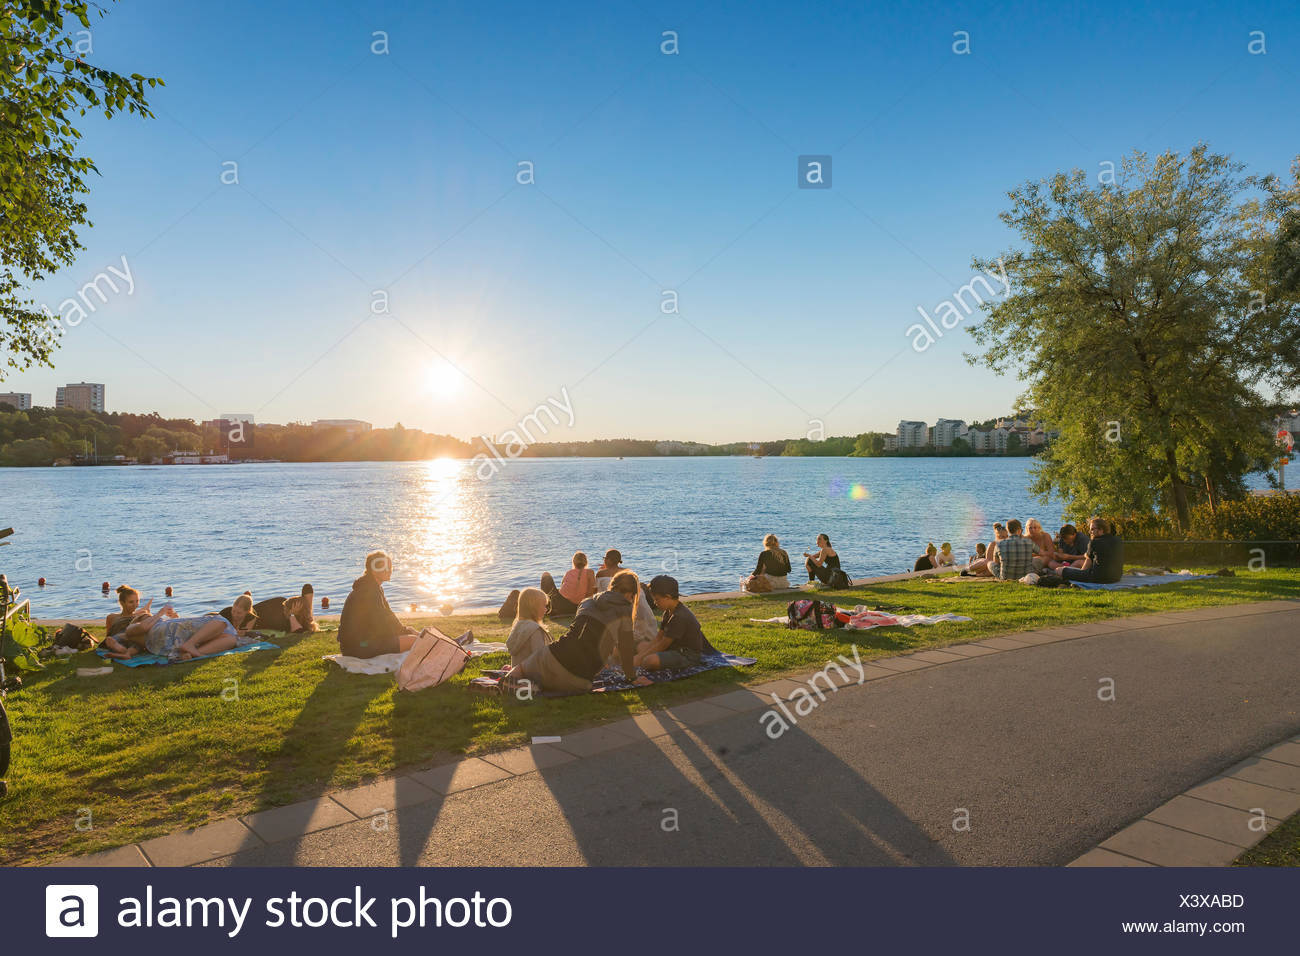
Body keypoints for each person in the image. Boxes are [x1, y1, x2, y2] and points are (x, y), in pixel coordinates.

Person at [506, 570, 652, 693]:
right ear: (631, 594)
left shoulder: (586, 602)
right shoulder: (625, 610)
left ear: (611, 586)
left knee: (520, 670)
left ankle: (510, 682)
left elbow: (578, 638)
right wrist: (632, 678)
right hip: (580, 682)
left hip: (553, 659)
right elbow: (625, 650)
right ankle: (535, 685)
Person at [106, 594, 257, 662]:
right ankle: (191, 646)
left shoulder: (144, 638)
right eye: (147, 616)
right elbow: (145, 626)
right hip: (168, 638)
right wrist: (159, 613)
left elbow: (134, 647)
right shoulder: (134, 627)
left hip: (170, 643)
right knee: (221, 621)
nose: (148, 616)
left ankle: (193, 653)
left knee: (230, 639)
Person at [337, 550, 418, 659]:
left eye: (390, 567)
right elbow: (381, 624)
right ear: (374, 570)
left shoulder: (374, 587)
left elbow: (388, 616)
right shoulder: (368, 591)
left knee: (412, 634)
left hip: (359, 644)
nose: (389, 571)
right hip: (357, 647)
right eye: (385, 568)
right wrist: (404, 634)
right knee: (413, 641)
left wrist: (406, 630)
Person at [636, 575, 705, 671]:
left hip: (687, 655)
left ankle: (644, 660)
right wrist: (640, 655)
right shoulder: (668, 612)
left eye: (657, 599)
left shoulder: (679, 617)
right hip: (674, 648)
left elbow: (663, 645)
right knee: (641, 646)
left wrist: (640, 658)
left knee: (649, 661)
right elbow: (658, 638)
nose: (655, 603)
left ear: (668, 597)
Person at [221, 584, 317, 633]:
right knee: (306, 618)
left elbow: (298, 632)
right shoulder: (281, 605)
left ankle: (307, 610)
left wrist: (292, 614)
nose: (235, 614)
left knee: (305, 619)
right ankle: (308, 610)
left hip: (241, 617)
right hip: (278, 607)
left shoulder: (287, 622)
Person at [1062, 517, 1125, 585]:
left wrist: (1079, 575)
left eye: (1092, 529)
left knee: (1060, 570)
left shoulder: (1094, 542)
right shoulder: (1118, 540)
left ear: (1101, 530)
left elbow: (1086, 566)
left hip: (1098, 578)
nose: (1090, 532)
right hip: (1116, 577)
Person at [506, 587, 552, 667]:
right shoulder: (535, 630)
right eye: (544, 606)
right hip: (532, 675)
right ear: (534, 608)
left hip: (518, 675)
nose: (546, 610)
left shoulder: (518, 626)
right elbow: (541, 658)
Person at [541, 552, 597, 617]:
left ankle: (546, 608)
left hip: (562, 604)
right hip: (579, 606)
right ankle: (552, 609)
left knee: (546, 575)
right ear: (586, 562)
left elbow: (562, 587)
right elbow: (591, 591)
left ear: (574, 562)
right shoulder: (590, 572)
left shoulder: (569, 572)